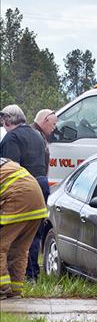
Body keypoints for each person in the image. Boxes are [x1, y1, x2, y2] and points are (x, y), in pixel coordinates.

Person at [0, 105, 48, 282]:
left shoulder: (11, 138)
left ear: (8, 119)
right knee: (26, 243)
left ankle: (3, 288)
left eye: (3, 119)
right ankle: (29, 278)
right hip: (39, 189)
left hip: (17, 192)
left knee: (4, 245)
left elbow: (11, 168)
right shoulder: (36, 135)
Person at [0, 158, 48, 299]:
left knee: (1, 247)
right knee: (19, 249)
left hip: (18, 199)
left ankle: (2, 289)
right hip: (37, 204)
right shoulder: (5, 162)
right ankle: (15, 290)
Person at [25, 109, 58, 281]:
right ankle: (31, 274)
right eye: (53, 124)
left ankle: (31, 272)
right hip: (35, 188)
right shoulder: (35, 137)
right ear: (45, 120)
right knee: (34, 233)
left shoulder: (37, 136)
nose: (54, 129)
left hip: (36, 186)